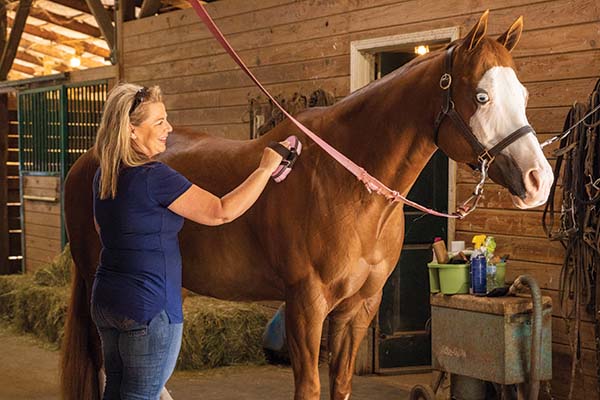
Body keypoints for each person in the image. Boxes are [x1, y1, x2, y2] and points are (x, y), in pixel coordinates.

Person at [91, 83, 289, 399]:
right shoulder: (155, 176)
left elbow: (103, 229)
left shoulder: (105, 174)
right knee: (141, 395)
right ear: (131, 131)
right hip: (150, 307)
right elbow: (221, 212)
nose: (168, 128)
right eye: (158, 122)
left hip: (108, 300)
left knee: (115, 389)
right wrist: (265, 169)